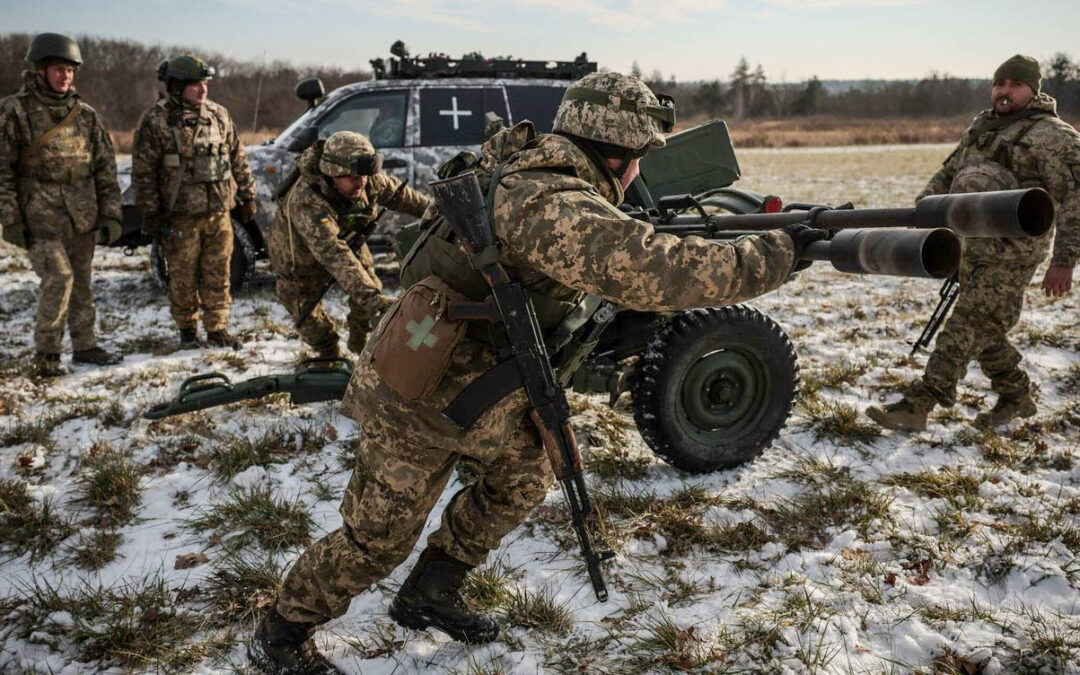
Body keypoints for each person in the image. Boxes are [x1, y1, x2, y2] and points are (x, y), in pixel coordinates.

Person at [248, 71, 818, 674]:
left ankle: (430, 591)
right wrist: (777, 251)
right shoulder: (552, 201)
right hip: (421, 395)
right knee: (375, 542)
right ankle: (281, 633)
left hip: (488, 384)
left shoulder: (545, 171)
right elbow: (662, 272)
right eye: (641, 160)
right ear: (621, 155)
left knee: (521, 480)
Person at [867, 55, 1080, 432]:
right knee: (984, 328)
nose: (1004, 91)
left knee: (965, 325)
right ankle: (1016, 395)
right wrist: (920, 215)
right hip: (970, 247)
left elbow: (1076, 198)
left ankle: (920, 403)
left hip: (1013, 256)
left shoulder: (1053, 137)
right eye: (1000, 83)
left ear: (1034, 90)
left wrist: (1064, 260)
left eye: (1015, 84)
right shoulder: (984, 129)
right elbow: (949, 175)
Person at [0, 32, 123, 377]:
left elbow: (105, 168)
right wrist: (10, 218)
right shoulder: (15, 111)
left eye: (70, 71)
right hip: (39, 217)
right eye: (58, 69)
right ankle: (48, 354)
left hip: (82, 216)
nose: (65, 76)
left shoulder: (86, 116)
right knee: (59, 278)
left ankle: (85, 345)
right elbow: (2, 169)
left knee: (81, 282)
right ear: (40, 70)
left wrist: (111, 213)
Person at [268, 130, 431, 359]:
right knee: (311, 323)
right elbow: (335, 255)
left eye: (364, 175)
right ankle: (330, 355)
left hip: (348, 242)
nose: (361, 182)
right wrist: (374, 301)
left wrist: (440, 212)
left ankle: (360, 345)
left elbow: (409, 199)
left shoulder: (366, 179)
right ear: (332, 174)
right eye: (353, 177)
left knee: (369, 289)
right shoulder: (307, 201)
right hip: (299, 260)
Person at [131, 54, 256, 350]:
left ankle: (217, 328)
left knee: (219, 273)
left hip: (219, 214)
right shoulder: (156, 120)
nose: (202, 91)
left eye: (205, 84)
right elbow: (144, 171)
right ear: (176, 87)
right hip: (180, 218)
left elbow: (238, 158)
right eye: (195, 85)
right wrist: (150, 211)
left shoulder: (219, 115)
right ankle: (187, 331)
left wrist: (248, 195)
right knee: (183, 276)